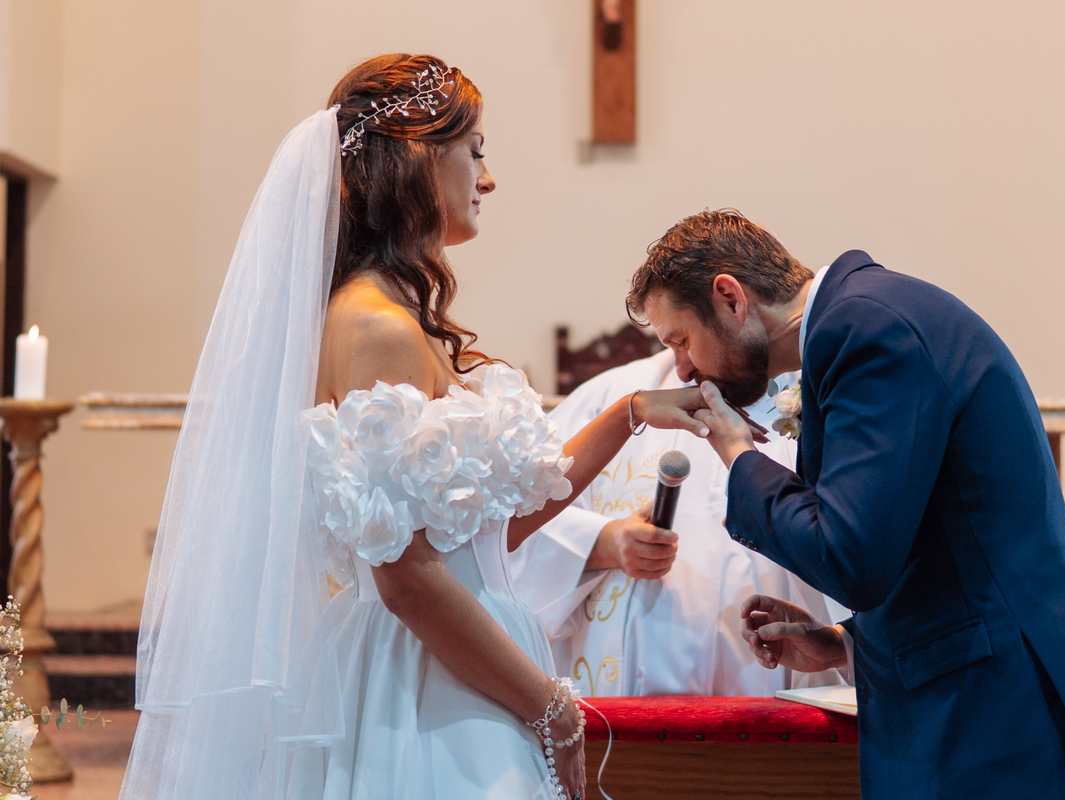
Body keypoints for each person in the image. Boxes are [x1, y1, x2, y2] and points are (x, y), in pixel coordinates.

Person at [119, 54, 707, 800]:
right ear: (418, 160)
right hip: (429, 678)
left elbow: (490, 530)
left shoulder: (402, 319)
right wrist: (548, 706)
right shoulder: (376, 328)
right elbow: (406, 580)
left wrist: (629, 418)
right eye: (476, 152)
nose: (487, 179)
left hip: (460, 652)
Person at [625, 209, 1065, 799]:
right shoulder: (868, 316)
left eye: (680, 340)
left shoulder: (865, 330)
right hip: (978, 695)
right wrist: (845, 644)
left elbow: (853, 557)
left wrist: (737, 454)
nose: (680, 366)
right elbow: (935, 536)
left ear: (731, 298)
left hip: (990, 716)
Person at [512, 349, 847, 695]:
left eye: (686, 338)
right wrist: (604, 542)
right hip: (629, 706)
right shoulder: (610, 398)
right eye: (671, 341)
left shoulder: (814, 398)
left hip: (769, 685)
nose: (682, 366)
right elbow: (508, 528)